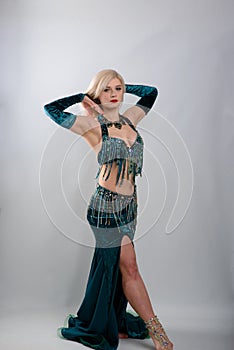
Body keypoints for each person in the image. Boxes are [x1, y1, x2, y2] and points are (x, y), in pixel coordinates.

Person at [44, 69, 173, 350]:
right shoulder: (90, 125)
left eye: (119, 89)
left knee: (118, 268)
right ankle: (159, 333)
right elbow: (50, 109)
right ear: (97, 94)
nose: (115, 95)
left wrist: (124, 86)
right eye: (107, 90)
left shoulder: (132, 119)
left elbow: (150, 92)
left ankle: (112, 319)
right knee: (130, 266)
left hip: (131, 207)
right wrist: (84, 99)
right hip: (106, 208)